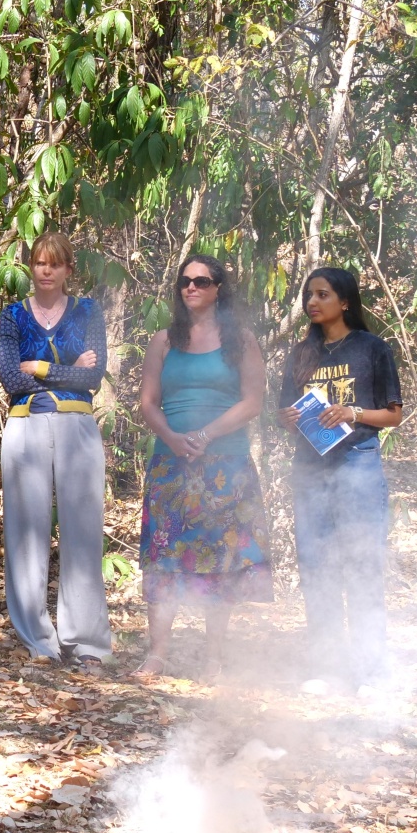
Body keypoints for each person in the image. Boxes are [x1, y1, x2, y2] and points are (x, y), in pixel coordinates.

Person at [136, 254, 272, 681]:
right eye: (185, 281)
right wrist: (173, 437)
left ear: (218, 289)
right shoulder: (163, 341)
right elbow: (147, 402)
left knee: (221, 560)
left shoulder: (241, 340)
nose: (191, 287)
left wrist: (205, 435)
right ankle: (157, 655)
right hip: (170, 463)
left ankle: (213, 658)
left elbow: (253, 401)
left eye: (202, 281)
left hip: (225, 465)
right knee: (164, 559)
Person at [279, 267, 403, 696]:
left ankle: (372, 673)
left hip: (358, 464)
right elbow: (284, 411)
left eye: (322, 294)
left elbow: (393, 415)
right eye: (308, 295)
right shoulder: (301, 354)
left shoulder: (372, 348)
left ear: (345, 302)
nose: (312, 302)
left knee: (362, 565)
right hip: (309, 468)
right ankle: (328, 669)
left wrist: (353, 413)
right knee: (317, 567)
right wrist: (288, 417)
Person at [0, 232, 111, 670]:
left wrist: (41, 366)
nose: (46, 271)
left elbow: (93, 377)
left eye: (55, 264)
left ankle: (87, 641)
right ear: (31, 267)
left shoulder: (88, 311)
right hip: (25, 425)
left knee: (83, 532)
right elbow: (11, 377)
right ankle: (38, 640)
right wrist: (68, 370)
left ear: (68, 269)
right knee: (25, 532)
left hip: (77, 427)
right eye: (40, 263)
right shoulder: (13, 315)